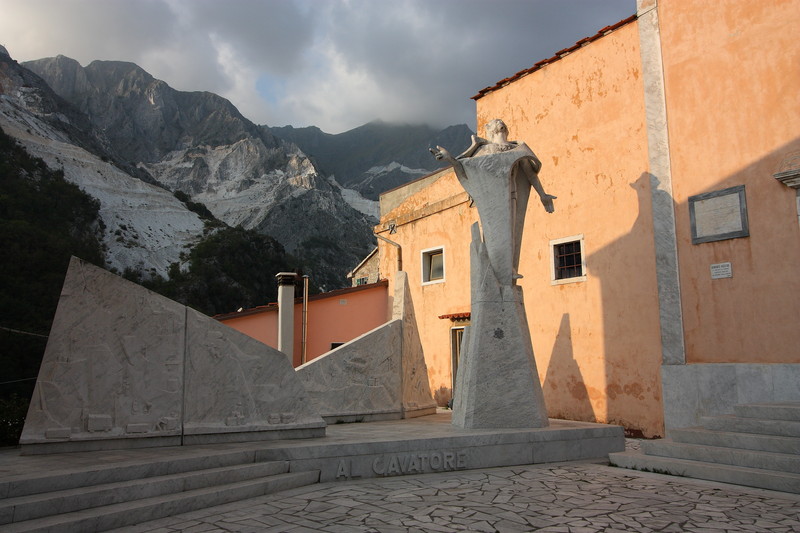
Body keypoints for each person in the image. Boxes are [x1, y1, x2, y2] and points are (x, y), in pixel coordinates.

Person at [430, 119, 555, 284]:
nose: (500, 123)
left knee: (511, 233)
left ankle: (507, 270)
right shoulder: (486, 150)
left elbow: (531, 175)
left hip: (511, 195)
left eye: (501, 122)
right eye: (497, 123)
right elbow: (466, 168)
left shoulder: (517, 149)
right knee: (494, 235)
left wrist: (543, 195)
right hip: (492, 201)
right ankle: (500, 272)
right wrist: (451, 159)